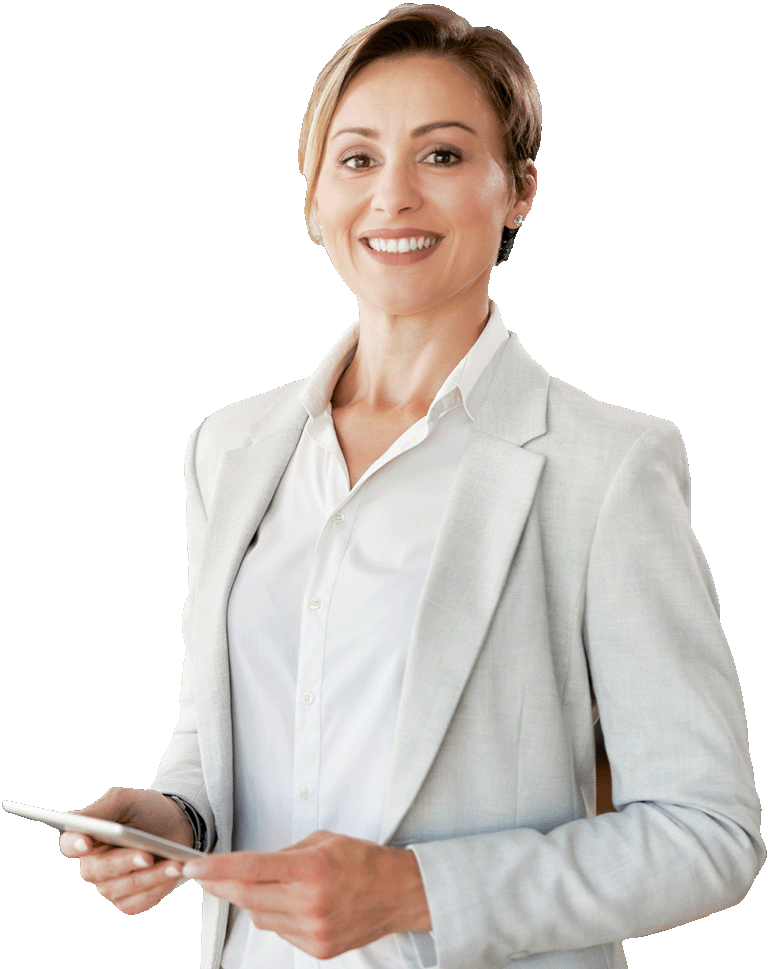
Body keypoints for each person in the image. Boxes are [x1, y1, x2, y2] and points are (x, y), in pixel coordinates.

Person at [59, 4, 764, 968]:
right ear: (312, 199)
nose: (392, 195)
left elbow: (709, 832)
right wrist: (173, 819)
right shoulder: (228, 450)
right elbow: (221, 739)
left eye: (440, 155)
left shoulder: (606, 467)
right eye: (355, 159)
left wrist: (413, 889)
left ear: (517, 191)